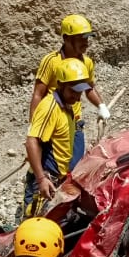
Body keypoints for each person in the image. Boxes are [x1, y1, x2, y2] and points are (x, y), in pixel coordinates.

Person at [30, 14, 110, 170]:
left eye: (87, 39)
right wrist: (34, 127)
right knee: (51, 169)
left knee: (75, 167)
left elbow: (89, 88)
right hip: (54, 126)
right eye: (81, 39)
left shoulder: (86, 62)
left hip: (75, 123)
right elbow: (38, 94)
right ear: (67, 39)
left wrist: (101, 106)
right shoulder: (51, 61)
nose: (86, 43)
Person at [22, 58, 92, 219]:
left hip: (57, 178)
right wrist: (41, 179)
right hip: (45, 180)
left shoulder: (68, 106)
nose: (77, 96)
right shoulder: (50, 107)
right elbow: (32, 140)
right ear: (61, 85)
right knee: (33, 228)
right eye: (73, 91)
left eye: (80, 91)